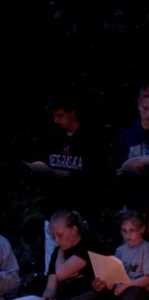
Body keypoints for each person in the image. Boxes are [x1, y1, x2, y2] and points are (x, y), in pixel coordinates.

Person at [26, 93, 103, 272]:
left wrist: (71, 175)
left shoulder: (89, 138)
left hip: (78, 211)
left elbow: (96, 175)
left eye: (60, 115)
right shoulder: (52, 137)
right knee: (52, 258)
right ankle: (50, 291)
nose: (56, 120)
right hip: (53, 209)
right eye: (54, 116)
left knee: (80, 260)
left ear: (72, 113)